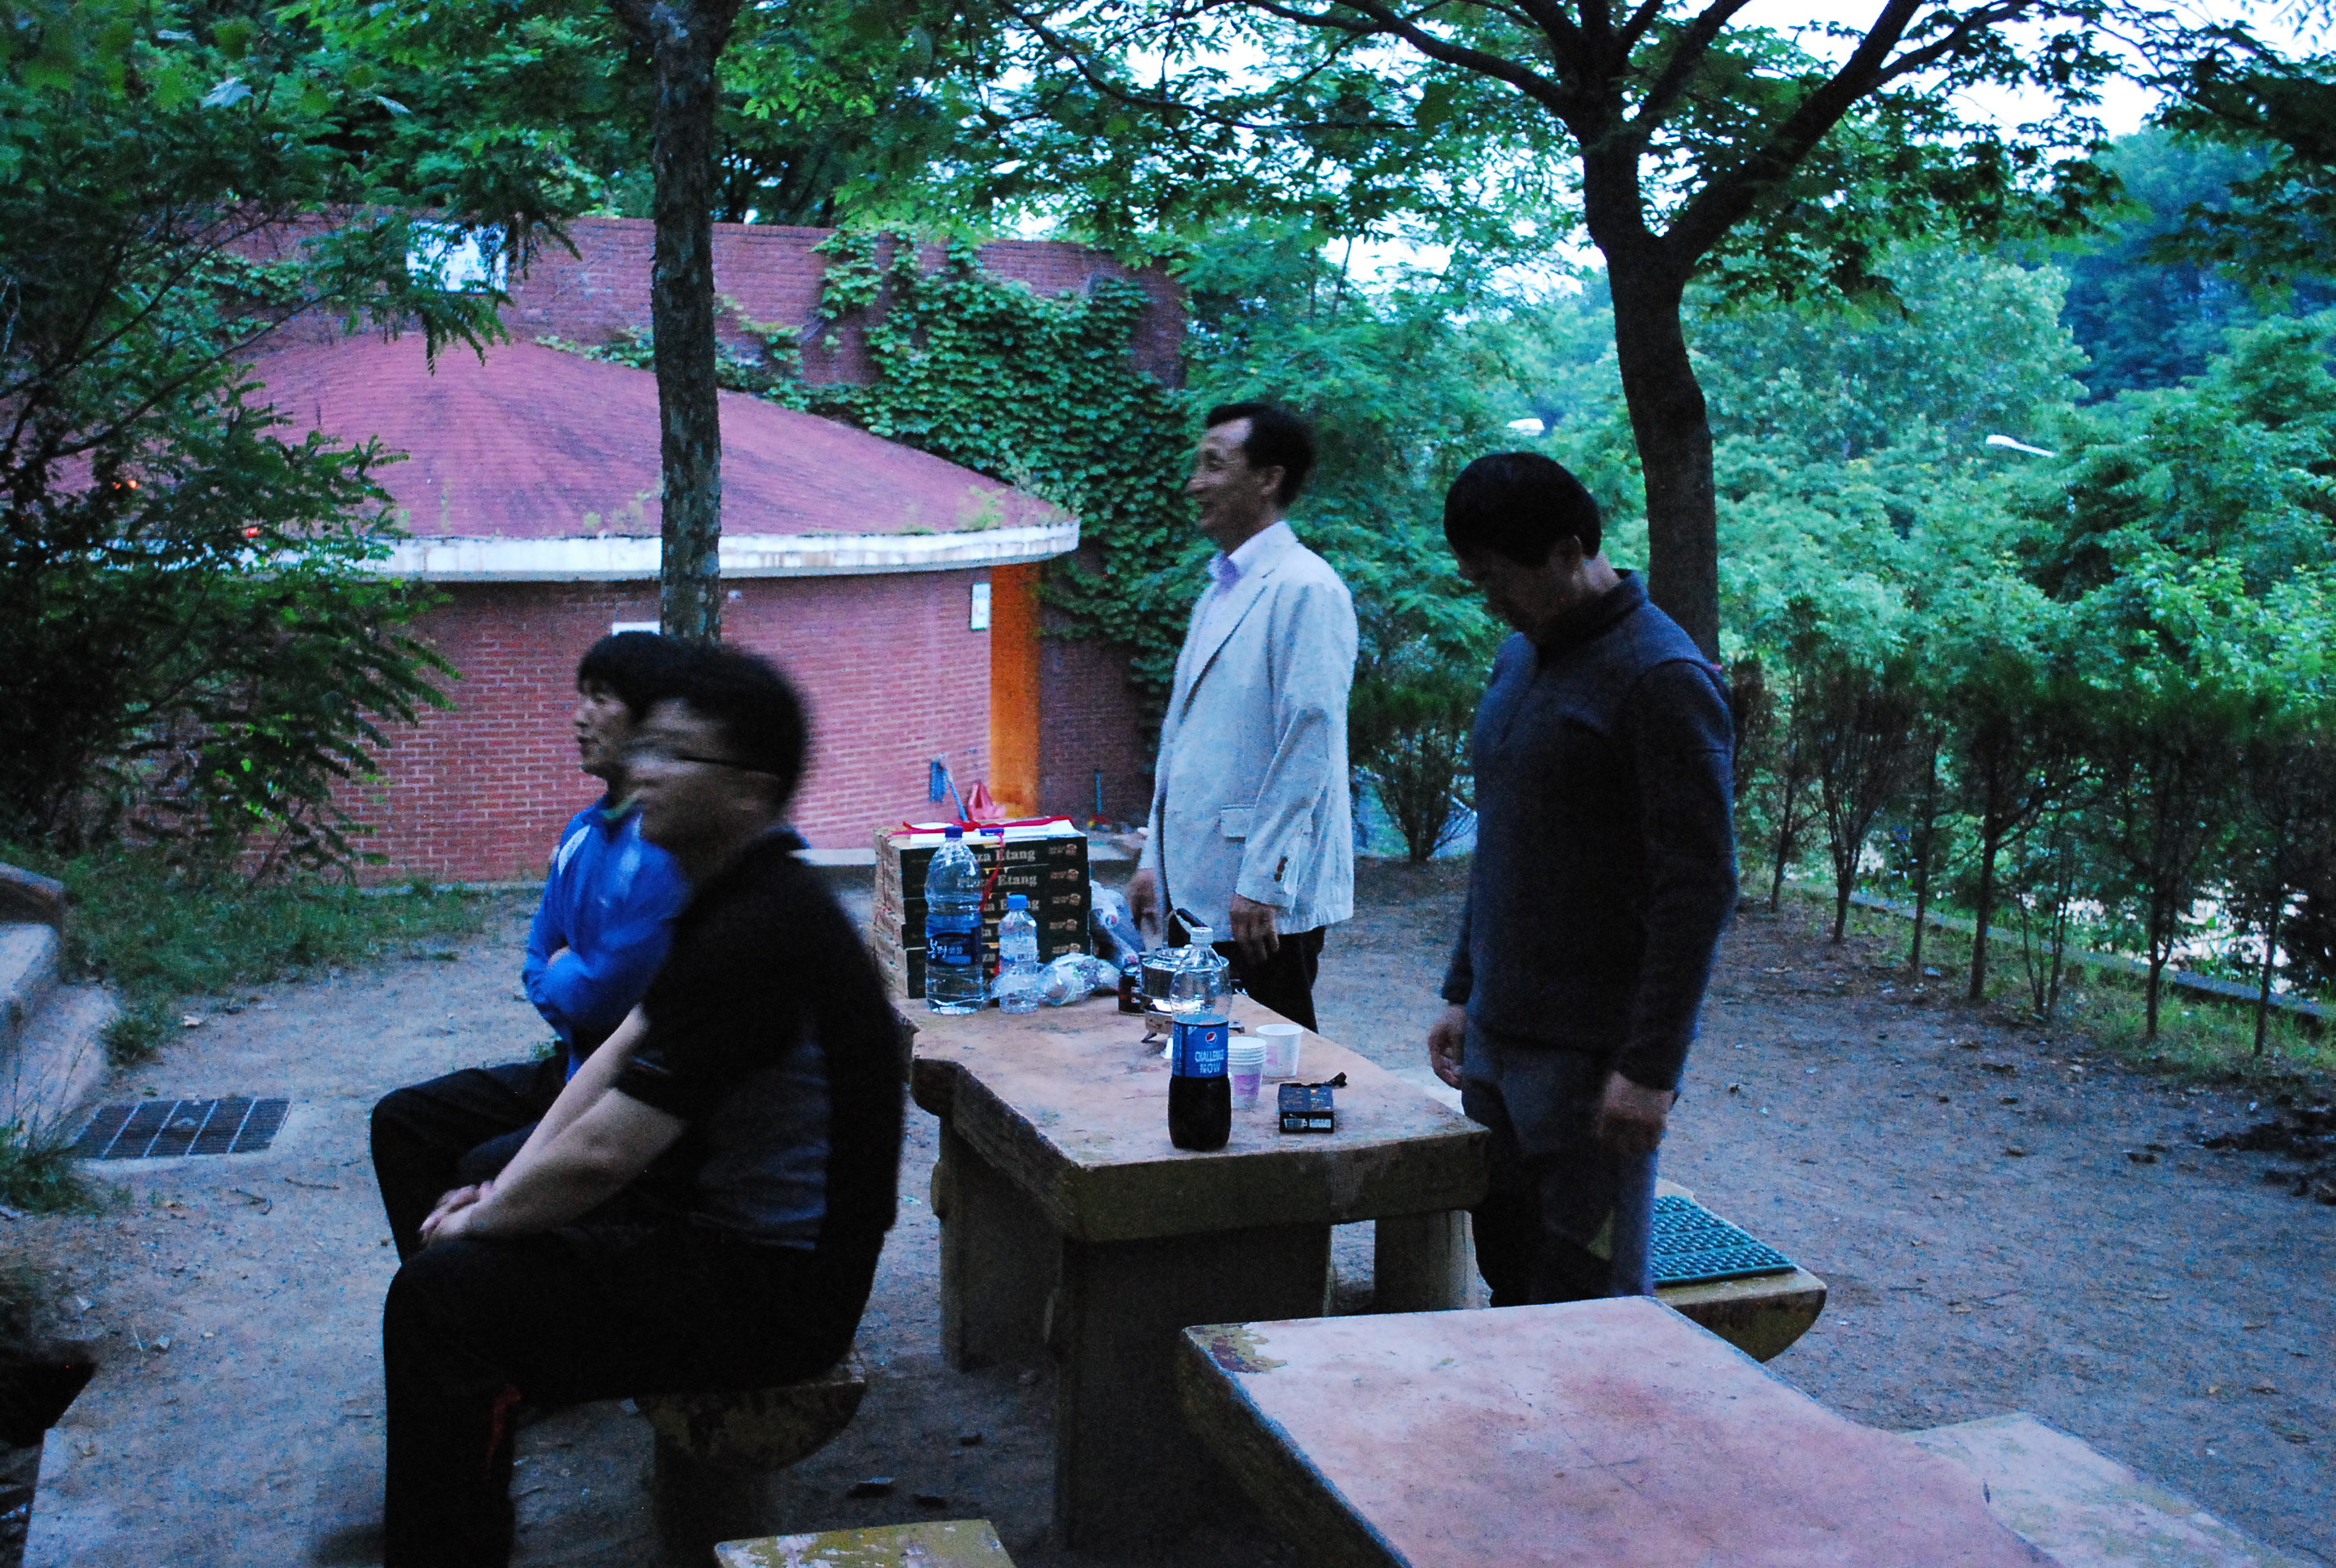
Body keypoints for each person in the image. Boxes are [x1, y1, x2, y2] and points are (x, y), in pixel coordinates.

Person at [380, 644, 907, 1568]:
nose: (643, 769)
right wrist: (502, 1188)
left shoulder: (762, 933)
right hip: (729, 1241)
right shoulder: (738, 895)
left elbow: (605, 1155)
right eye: (647, 746)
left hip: (776, 1294)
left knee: (440, 1302)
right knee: (479, 1182)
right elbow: (614, 1059)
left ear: (748, 790)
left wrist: (484, 1222)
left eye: (675, 755)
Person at [1426, 452, 1736, 1305]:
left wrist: (1651, 1069)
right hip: (1497, 1045)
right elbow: (1503, 840)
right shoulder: (1518, 658)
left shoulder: (1662, 679)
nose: (1490, 599)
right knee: (1507, 1275)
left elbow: (1698, 888)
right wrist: (1462, 990)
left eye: (1498, 578)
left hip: (1591, 1067)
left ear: (1569, 552)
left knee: (1587, 1300)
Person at [370, 632, 695, 1260]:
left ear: (651, 718)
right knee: (403, 1120)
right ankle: (434, 1288)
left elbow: (605, 996)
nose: (579, 717)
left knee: (481, 1166)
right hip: (573, 1062)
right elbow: (537, 959)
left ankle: (463, 1287)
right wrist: (568, 978)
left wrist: (568, 975)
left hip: (623, 1083)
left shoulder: (661, 844)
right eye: (580, 696)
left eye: (600, 698)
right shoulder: (582, 833)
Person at [1127, 402, 1358, 1031]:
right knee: (1197, 1053)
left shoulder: (1307, 589)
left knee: (1271, 1058)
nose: (1195, 483)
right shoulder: (1218, 591)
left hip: (1255, 900)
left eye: (1213, 465)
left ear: (1268, 479)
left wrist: (1265, 881)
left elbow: (1309, 743)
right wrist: (1153, 862)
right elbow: (1181, 741)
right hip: (1197, 886)